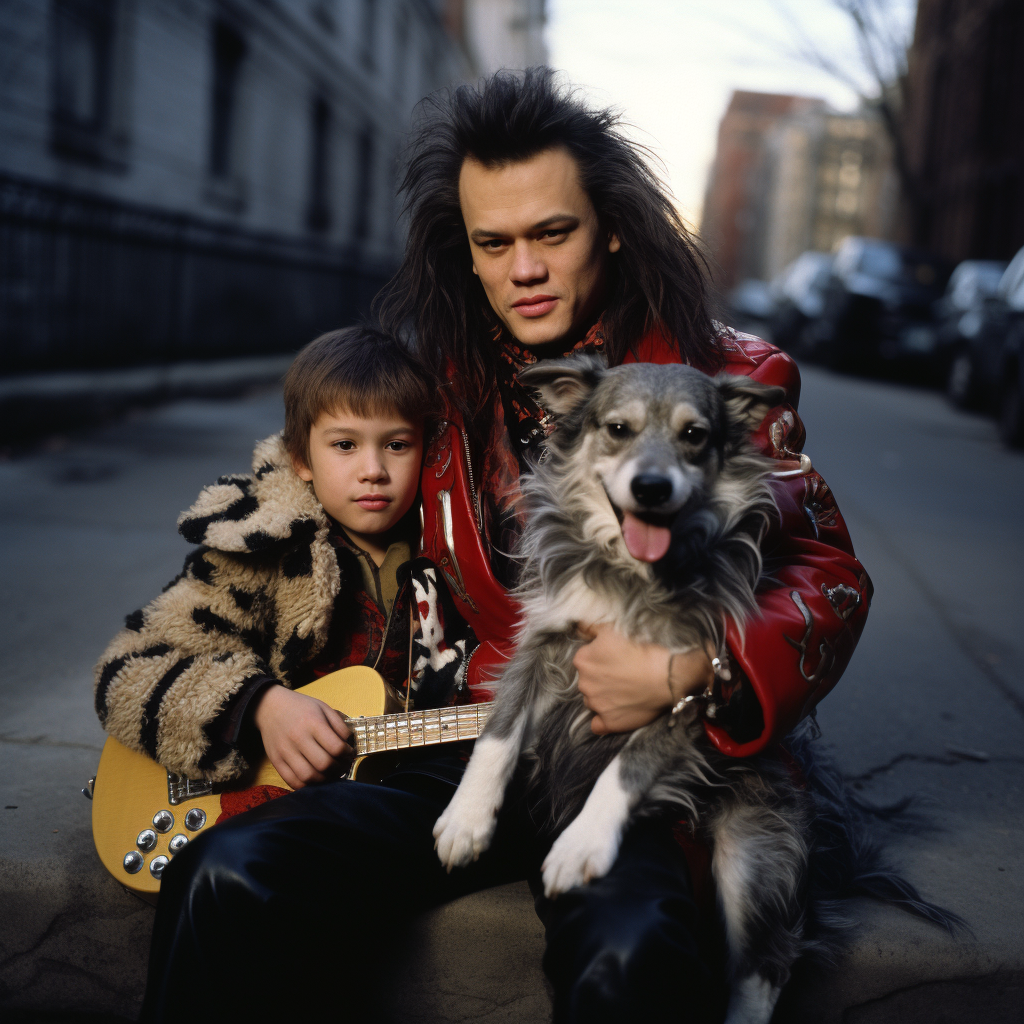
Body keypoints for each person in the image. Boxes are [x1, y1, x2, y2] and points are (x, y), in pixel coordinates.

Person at [121, 71, 871, 1024]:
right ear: (466, 255)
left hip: (630, 760)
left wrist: (698, 664)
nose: (524, 268)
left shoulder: (728, 377)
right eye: (494, 243)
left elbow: (831, 575)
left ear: (611, 229)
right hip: (459, 739)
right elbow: (287, 510)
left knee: (635, 956)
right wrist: (252, 701)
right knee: (228, 872)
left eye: (551, 234)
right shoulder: (423, 385)